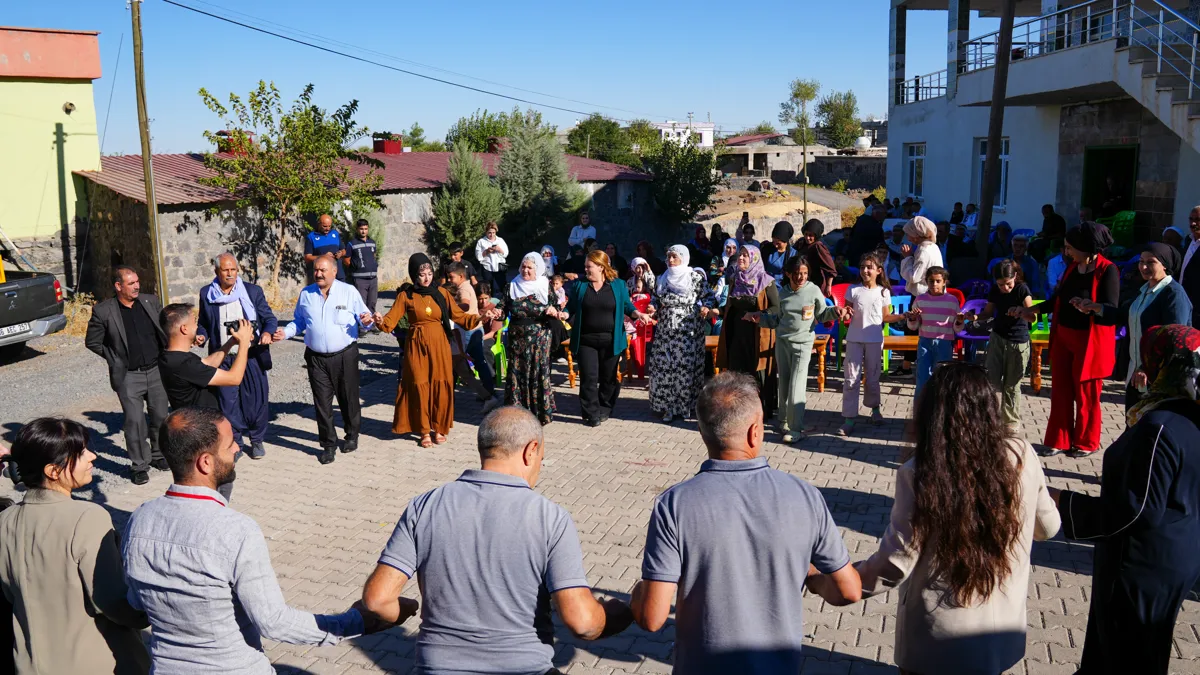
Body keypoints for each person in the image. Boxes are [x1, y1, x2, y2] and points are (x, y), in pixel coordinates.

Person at [362, 406, 633, 673]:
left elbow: (377, 600)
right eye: (541, 457)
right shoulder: (550, 518)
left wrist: (404, 609)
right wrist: (620, 613)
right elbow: (583, 623)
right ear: (531, 451)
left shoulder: (425, 505)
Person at [123, 407, 389, 674]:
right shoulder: (236, 531)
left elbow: (137, 603)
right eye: (229, 445)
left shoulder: (138, 520)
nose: (237, 449)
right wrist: (356, 622)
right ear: (205, 462)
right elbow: (273, 622)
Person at [631, 372, 861, 673]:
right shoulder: (805, 496)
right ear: (755, 431)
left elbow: (652, 618)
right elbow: (850, 591)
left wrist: (637, 595)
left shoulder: (674, 504)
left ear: (702, 432)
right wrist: (812, 578)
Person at [840, 362, 1060, 675]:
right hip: (1000, 639)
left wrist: (842, 581)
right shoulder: (1022, 454)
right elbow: (1048, 528)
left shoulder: (920, 472)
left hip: (937, 643)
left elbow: (894, 565)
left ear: (932, 415)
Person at [1052, 324, 1200, 674]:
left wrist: (1063, 503)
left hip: (1142, 566)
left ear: (1165, 362)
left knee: (1126, 657)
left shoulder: (1159, 427)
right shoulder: (1187, 413)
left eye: (1150, 356)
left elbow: (1136, 512)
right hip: (1176, 553)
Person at [0, 418, 150, 675]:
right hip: (95, 662)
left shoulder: (5, 520)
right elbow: (111, 601)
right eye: (80, 453)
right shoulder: (88, 517)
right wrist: (151, 613)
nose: (92, 456)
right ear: (53, 471)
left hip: (29, 662)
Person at [1012, 222, 1118, 457]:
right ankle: (1058, 440)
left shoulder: (1107, 270)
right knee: (1060, 390)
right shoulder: (1072, 267)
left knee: (1086, 394)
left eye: (1070, 247)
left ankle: (1086, 442)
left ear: (1086, 247)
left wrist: (1092, 307)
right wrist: (1032, 311)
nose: (1067, 252)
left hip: (1089, 342)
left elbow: (1112, 309)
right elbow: (1056, 299)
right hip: (1063, 337)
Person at [378, 253, 489, 447]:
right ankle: (423, 431)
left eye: (430, 273)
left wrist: (481, 317)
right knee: (421, 385)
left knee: (440, 383)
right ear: (414, 276)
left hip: (439, 345)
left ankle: (439, 428)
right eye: (422, 274)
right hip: (416, 345)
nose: (427, 277)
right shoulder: (407, 296)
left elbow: (460, 317)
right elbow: (389, 322)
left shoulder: (442, 293)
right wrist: (379, 321)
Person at [273, 255, 375, 464]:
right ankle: (328, 444)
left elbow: (365, 319)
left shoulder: (348, 292)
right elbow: (299, 321)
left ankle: (351, 434)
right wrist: (285, 333)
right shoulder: (307, 294)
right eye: (315, 270)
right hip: (316, 358)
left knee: (348, 398)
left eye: (322, 270)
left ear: (334, 272)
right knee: (322, 403)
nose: (318, 274)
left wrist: (366, 321)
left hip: (345, 354)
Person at [1073, 242, 1192, 410]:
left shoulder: (1173, 294)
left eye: (1150, 262)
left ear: (1164, 264)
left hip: (1159, 380)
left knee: (1150, 431)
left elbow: (1173, 339)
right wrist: (1096, 307)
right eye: (1141, 261)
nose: (1143, 266)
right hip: (1135, 375)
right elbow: (1126, 315)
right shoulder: (1144, 290)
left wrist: (1148, 368)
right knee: (1133, 428)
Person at [85, 265, 169, 485]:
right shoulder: (104, 311)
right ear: (118, 286)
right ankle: (139, 465)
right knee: (134, 421)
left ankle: (158, 455)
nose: (137, 286)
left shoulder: (150, 301)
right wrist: (113, 357)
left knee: (160, 415)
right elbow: (92, 342)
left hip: (156, 369)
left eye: (137, 282)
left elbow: (164, 329)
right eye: (131, 283)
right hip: (129, 376)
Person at [196, 253, 277, 460]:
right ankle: (237, 443)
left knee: (256, 401)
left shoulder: (252, 291)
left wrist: (267, 333)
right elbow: (204, 323)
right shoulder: (207, 294)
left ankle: (257, 440)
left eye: (233, 269)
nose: (230, 273)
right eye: (225, 270)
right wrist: (201, 336)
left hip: (250, 356)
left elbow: (268, 318)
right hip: (223, 357)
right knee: (227, 403)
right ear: (217, 271)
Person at [749, 256, 839, 442]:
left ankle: (796, 429)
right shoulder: (782, 294)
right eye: (797, 273)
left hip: (804, 343)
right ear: (789, 273)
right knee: (785, 382)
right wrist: (759, 318)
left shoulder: (813, 290)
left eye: (805, 273)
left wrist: (836, 312)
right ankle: (783, 421)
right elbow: (775, 320)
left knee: (797, 385)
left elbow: (822, 315)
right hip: (782, 343)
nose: (801, 277)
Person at [566, 250, 651, 427]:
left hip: (611, 340)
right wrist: (562, 314)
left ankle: (605, 406)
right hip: (585, 340)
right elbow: (571, 307)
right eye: (585, 266)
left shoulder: (618, 285)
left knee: (608, 378)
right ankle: (590, 413)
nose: (586, 270)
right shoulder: (580, 285)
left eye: (589, 266)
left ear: (601, 267)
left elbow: (627, 306)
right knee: (589, 377)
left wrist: (637, 314)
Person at [840, 253, 905, 436]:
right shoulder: (853, 290)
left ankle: (875, 409)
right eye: (862, 267)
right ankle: (849, 418)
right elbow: (847, 314)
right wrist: (843, 313)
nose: (865, 270)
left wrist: (903, 316)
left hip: (875, 340)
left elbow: (886, 317)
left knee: (873, 378)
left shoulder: (884, 292)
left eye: (869, 267)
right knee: (851, 378)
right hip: (854, 339)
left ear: (879, 271)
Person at [648, 245, 715, 423]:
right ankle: (668, 407)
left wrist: (705, 307)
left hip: (688, 330)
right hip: (666, 330)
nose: (670, 260)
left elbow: (709, 296)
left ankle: (685, 406)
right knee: (666, 366)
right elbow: (655, 298)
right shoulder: (662, 278)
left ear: (684, 258)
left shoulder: (694, 277)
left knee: (685, 367)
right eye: (668, 257)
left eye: (674, 257)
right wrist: (652, 307)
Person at [966, 260, 1035, 428]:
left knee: (1012, 385)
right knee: (991, 381)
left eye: (1008, 284)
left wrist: (1021, 312)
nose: (1005, 288)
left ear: (1015, 277)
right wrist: (975, 317)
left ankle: (1011, 423)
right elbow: (988, 312)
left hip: (1018, 342)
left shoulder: (1022, 290)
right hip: (997, 338)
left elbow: (1033, 317)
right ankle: (990, 419)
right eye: (1001, 284)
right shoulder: (995, 290)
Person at [715, 245, 780, 416]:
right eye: (740, 255)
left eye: (745, 255)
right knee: (737, 371)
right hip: (737, 334)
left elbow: (776, 309)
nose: (741, 258)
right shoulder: (735, 279)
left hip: (758, 336)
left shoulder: (766, 281)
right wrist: (717, 311)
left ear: (754, 258)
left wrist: (757, 314)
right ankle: (738, 409)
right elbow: (729, 306)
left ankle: (760, 410)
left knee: (756, 372)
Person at [504, 253, 564, 425]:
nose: (525, 270)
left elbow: (556, 305)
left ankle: (539, 413)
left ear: (537, 269)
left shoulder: (545, 286)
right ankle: (517, 413)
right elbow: (503, 307)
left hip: (539, 338)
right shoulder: (512, 286)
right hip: (517, 340)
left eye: (530, 267)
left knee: (537, 373)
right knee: (517, 373)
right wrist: (497, 313)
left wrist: (553, 310)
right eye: (523, 266)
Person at [158, 302, 253, 411]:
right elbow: (234, 378)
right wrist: (244, 342)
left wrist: (230, 343)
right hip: (201, 424)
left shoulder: (168, 356)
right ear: (184, 329)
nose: (197, 326)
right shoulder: (184, 363)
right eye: (194, 322)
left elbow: (206, 364)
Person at [447, 261, 503, 411]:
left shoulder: (463, 290)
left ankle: (486, 395)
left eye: (451, 277)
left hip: (467, 330)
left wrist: (450, 307)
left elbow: (465, 305)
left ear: (460, 276)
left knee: (458, 363)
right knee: (478, 362)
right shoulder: (467, 286)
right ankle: (488, 393)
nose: (449, 280)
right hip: (475, 329)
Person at [905, 266, 964, 397]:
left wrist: (959, 321)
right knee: (922, 378)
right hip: (925, 342)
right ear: (926, 281)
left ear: (944, 282)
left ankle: (941, 413)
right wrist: (913, 318)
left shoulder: (952, 301)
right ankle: (920, 413)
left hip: (944, 342)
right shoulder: (920, 300)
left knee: (943, 379)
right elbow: (913, 326)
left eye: (938, 281)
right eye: (931, 281)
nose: (934, 284)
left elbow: (956, 327)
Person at [899, 216, 945, 297]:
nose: (908, 238)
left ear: (916, 235)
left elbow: (913, 277)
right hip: (933, 294)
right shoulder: (933, 246)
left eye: (908, 234)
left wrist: (907, 257)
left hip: (924, 297)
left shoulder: (924, 251)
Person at [344, 218, 379, 312]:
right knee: (361, 303)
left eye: (366, 229)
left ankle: (370, 324)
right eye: (361, 229)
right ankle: (362, 325)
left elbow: (373, 256)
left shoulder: (372, 243)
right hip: (360, 280)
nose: (364, 231)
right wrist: (356, 267)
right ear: (357, 229)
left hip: (373, 279)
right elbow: (346, 260)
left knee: (372, 302)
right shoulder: (351, 244)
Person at [796, 219, 837, 296]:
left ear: (816, 235)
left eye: (811, 235)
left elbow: (831, 269)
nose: (807, 238)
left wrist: (828, 285)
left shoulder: (818, 246)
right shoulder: (801, 243)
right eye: (806, 234)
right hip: (802, 282)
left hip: (816, 284)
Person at [303, 213, 347, 282]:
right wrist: (323, 256)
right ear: (319, 224)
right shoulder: (311, 237)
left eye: (329, 226)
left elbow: (344, 251)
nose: (327, 229)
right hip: (323, 276)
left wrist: (340, 254)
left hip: (339, 275)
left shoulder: (335, 234)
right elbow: (307, 258)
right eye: (325, 226)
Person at [1179, 206, 1200, 326]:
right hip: (1184, 300)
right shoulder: (1189, 241)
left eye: (1198, 219)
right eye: (1191, 219)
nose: (1193, 223)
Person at [474, 221, 509, 294]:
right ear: (486, 232)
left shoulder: (500, 240)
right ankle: (490, 303)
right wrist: (486, 251)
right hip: (487, 268)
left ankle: (506, 302)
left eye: (493, 232)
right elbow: (478, 256)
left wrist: (499, 250)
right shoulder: (481, 242)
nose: (491, 235)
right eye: (490, 232)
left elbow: (506, 253)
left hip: (499, 267)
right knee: (488, 288)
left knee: (503, 286)